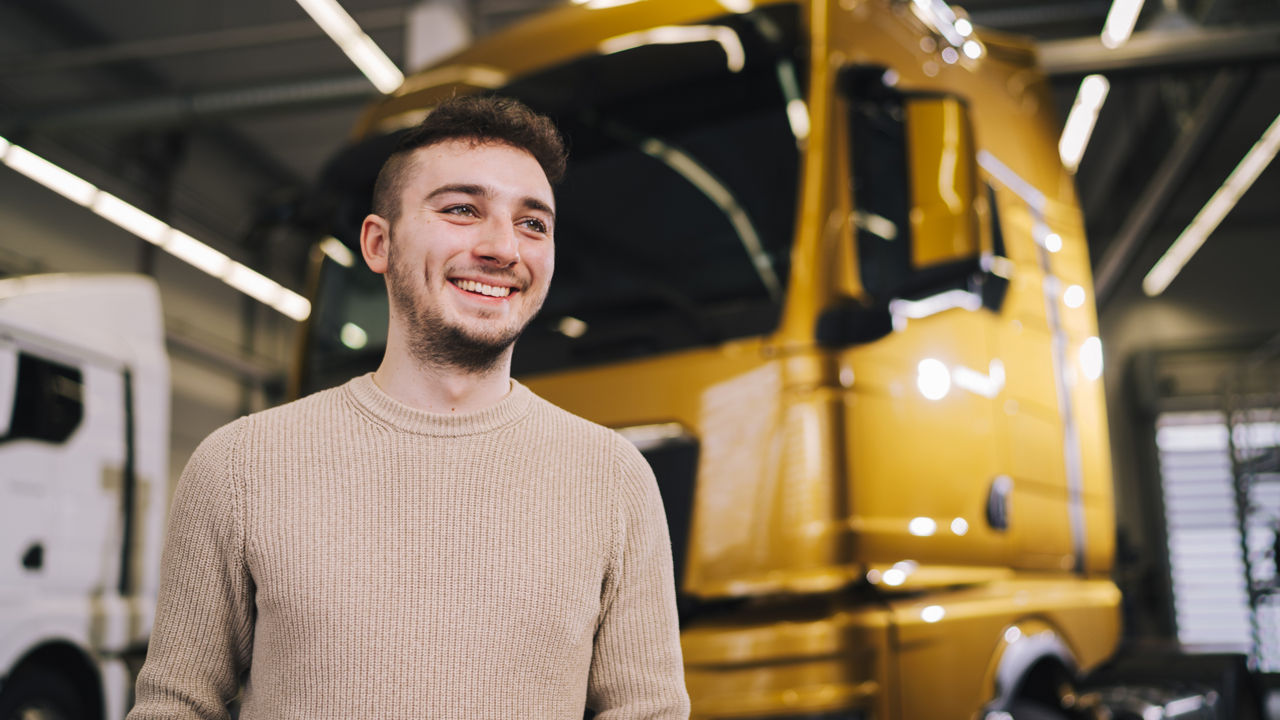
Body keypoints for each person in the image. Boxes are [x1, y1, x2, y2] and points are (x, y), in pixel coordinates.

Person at [128, 96, 689, 719]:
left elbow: (649, 711)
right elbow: (176, 707)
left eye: (533, 223)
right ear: (379, 244)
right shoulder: (239, 468)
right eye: (461, 210)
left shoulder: (614, 479)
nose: (504, 247)